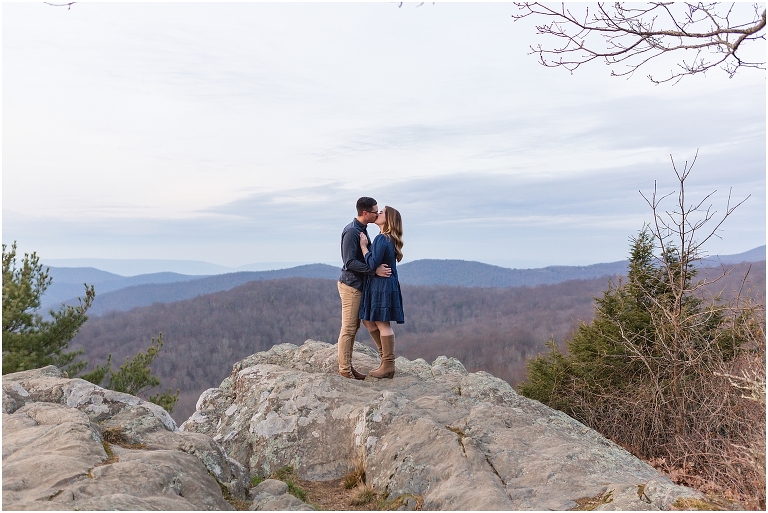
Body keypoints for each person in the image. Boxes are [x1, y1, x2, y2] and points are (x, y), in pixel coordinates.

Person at [337, 197, 392, 380]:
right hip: (351, 285)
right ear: (365, 213)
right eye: (375, 211)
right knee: (350, 328)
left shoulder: (363, 230)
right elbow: (349, 262)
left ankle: (385, 362)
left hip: (362, 285)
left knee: (365, 323)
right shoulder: (352, 232)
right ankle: (345, 369)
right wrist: (373, 269)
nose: (377, 213)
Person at [358, 206, 404, 379]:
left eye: (382, 212)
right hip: (383, 284)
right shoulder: (388, 238)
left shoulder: (382, 238)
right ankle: (385, 361)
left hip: (381, 286)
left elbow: (371, 263)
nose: (378, 214)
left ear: (389, 219)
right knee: (368, 320)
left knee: (382, 324)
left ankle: (388, 365)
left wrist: (364, 247)